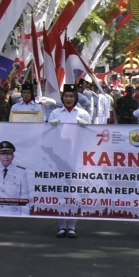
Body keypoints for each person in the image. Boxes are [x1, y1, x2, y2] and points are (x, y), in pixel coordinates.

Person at [50, 84, 94, 238]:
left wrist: (86, 127)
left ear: (75, 98)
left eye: (71, 96)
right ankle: (62, 225)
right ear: (62, 98)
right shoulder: (55, 112)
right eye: (66, 96)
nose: (68, 99)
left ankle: (73, 225)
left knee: (74, 192)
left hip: (77, 157)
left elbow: (90, 136)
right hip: (60, 157)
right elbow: (48, 135)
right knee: (61, 191)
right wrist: (51, 126)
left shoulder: (83, 113)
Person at [0, 138, 31, 214]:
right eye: (3, 154)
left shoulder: (21, 172)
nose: (5, 157)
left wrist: (24, 217)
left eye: (8, 154)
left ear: (13, 156)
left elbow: (25, 197)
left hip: (14, 214)